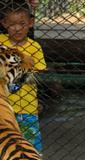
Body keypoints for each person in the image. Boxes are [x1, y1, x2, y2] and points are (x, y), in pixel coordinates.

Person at [0, 2, 45, 152]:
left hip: (27, 106)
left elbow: (39, 71)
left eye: (22, 24)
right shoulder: (1, 42)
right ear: (4, 24)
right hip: (3, 106)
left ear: (30, 23)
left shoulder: (34, 47)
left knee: (30, 147)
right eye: (12, 24)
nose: (17, 28)